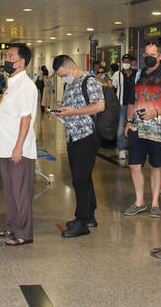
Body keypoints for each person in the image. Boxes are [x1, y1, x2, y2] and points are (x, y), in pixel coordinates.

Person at [123, 42, 161, 219]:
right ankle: (139, 201)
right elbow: (131, 101)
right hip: (137, 127)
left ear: (159, 57)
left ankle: (155, 202)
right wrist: (128, 122)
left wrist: (156, 112)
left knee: (156, 166)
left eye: (153, 54)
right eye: (146, 54)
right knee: (134, 165)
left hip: (158, 128)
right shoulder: (138, 75)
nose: (149, 57)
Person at [52, 55, 105, 238]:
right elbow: (72, 108)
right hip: (73, 136)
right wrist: (63, 112)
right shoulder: (70, 84)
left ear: (72, 67)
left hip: (87, 136)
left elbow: (99, 106)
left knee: (80, 180)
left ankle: (81, 222)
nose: (62, 78)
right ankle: (89, 215)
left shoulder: (89, 81)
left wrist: (74, 112)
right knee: (84, 177)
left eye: (63, 74)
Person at [0, 44, 37, 246]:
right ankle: (12, 226)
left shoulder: (26, 86)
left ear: (21, 62)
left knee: (21, 192)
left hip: (18, 148)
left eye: (10, 57)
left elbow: (26, 118)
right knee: (10, 191)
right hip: (6, 146)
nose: (6, 60)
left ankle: (24, 233)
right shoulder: (13, 84)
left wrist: (19, 147)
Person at [112, 55, 137, 160]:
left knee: (134, 128)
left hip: (135, 105)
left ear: (131, 63)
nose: (125, 63)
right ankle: (121, 149)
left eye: (127, 61)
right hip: (121, 104)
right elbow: (113, 88)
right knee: (120, 129)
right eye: (124, 61)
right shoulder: (117, 74)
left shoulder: (137, 74)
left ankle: (133, 149)